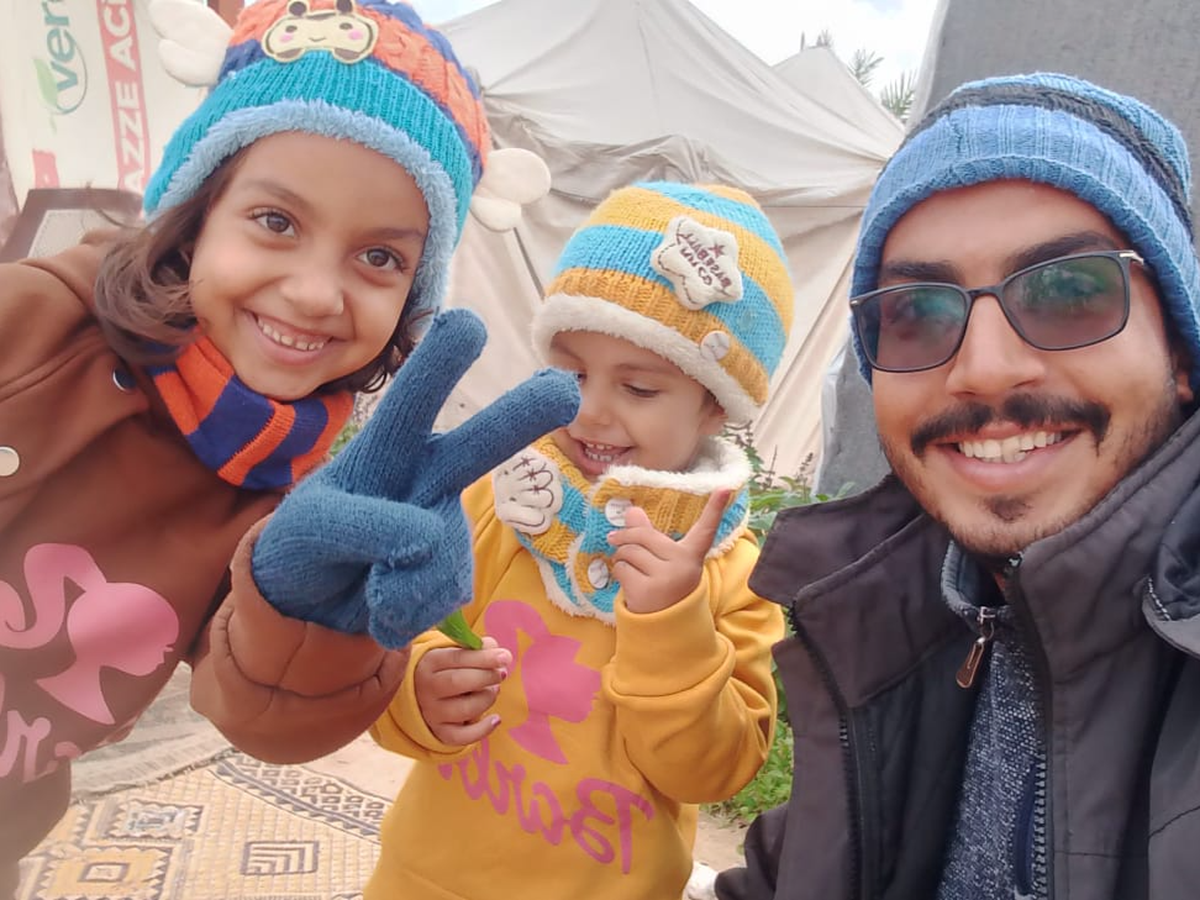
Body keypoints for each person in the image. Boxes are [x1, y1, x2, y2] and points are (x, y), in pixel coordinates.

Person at [0, 1, 580, 895]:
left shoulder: (296, 487)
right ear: (195, 215)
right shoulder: (31, 324)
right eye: (276, 221)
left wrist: (309, 608)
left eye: (380, 258)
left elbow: (262, 719)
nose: (315, 293)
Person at [714, 72, 1200, 900]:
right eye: (917, 312)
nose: (984, 368)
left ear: (1182, 354)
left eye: (1069, 291)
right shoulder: (890, 622)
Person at [363, 181, 794, 899]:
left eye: (640, 388)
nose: (590, 410)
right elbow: (392, 635)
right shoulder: (502, 499)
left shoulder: (731, 572)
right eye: (573, 373)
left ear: (715, 406)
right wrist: (414, 688)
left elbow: (716, 770)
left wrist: (671, 625)